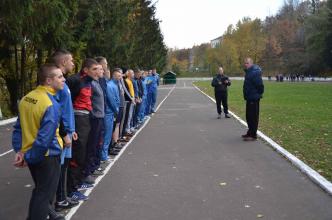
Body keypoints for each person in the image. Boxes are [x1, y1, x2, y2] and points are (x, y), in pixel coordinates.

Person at [12, 63, 65, 220]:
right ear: (49, 81)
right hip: (47, 156)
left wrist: (21, 152)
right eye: (60, 77)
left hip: (32, 153)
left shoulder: (26, 98)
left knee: (41, 191)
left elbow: (18, 129)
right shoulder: (50, 104)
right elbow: (44, 140)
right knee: (43, 195)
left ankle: (50, 216)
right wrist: (27, 157)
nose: (64, 79)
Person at [50, 50, 79, 213]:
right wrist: (64, 132)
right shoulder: (57, 84)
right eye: (71, 60)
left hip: (68, 131)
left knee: (65, 165)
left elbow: (67, 109)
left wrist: (72, 129)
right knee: (59, 167)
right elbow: (57, 111)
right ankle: (58, 200)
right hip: (62, 134)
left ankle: (63, 196)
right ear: (63, 62)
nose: (73, 63)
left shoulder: (64, 83)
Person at [66, 58, 99, 201]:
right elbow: (67, 103)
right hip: (78, 120)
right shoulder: (74, 80)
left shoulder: (90, 82)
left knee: (83, 153)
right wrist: (69, 126)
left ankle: (78, 182)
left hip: (86, 119)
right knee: (77, 155)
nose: (98, 72)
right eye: (95, 69)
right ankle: (71, 190)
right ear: (85, 70)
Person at [242, 57, 264, 141]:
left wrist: (258, 94)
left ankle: (253, 135)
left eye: (247, 63)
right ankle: (250, 132)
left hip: (253, 98)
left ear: (251, 63)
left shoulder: (254, 72)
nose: (245, 64)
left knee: (253, 117)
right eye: (245, 63)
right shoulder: (249, 72)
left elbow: (260, 85)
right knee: (248, 116)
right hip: (249, 97)